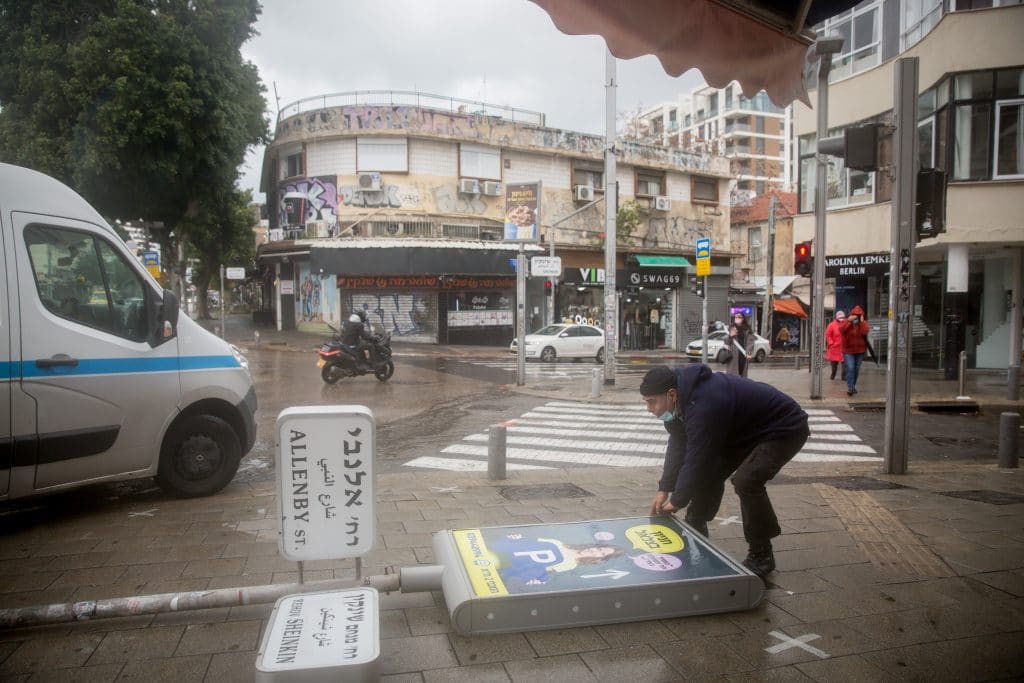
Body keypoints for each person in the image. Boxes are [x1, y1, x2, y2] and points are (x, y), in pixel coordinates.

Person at [640, 364, 809, 577]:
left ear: (671, 394)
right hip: (743, 430)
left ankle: (762, 555)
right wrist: (664, 488)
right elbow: (678, 445)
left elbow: (696, 457)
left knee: (747, 481)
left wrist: (677, 501)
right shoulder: (677, 401)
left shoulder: (704, 404)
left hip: (784, 427)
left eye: (651, 402)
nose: (649, 408)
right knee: (710, 470)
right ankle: (696, 526)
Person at [839, 305, 870, 396]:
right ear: (851, 314)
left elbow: (865, 332)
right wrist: (849, 320)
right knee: (850, 368)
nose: (856, 317)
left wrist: (862, 321)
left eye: (858, 315)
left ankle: (852, 386)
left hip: (860, 350)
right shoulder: (846, 322)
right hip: (848, 351)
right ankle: (850, 388)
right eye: (855, 315)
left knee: (856, 369)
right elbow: (841, 329)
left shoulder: (863, 323)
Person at [825, 310, 847, 381]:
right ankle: (833, 374)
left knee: (845, 363)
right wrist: (831, 343)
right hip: (834, 348)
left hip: (844, 347)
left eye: (843, 317)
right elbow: (828, 335)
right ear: (836, 317)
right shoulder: (831, 325)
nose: (842, 318)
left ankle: (844, 377)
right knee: (834, 364)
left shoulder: (846, 324)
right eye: (840, 317)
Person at [731, 311, 753, 376]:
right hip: (733, 355)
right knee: (732, 375)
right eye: (736, 317)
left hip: (743, 354)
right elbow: (726, 341)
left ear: (743, 318)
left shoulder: (747, 329)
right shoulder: (731, 328)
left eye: (739, 317)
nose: (737, 318)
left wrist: (748, 353)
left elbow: (750, 342)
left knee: (741, 373)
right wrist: (730, 336)